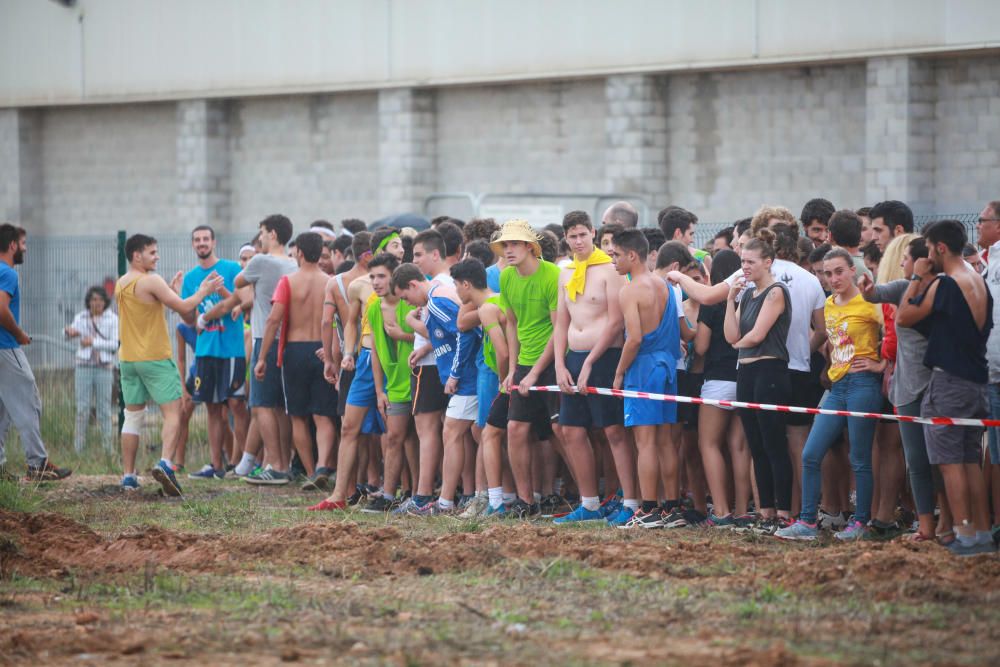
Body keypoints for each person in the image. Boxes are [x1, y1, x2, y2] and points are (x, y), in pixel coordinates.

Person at [897, 219, 996, 556]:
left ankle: (964, 531)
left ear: (939, 248)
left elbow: (904, 316)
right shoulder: (977, 280)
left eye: (926, 250)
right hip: (976, 380)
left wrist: (918, 277)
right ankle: (980, 532)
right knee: (969, 460)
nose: (924, 256)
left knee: (950, 461)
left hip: (950, 381)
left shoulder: (946, 283)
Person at [776, 249, 884, 541]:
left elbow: (894, 331)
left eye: (838, 271)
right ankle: (809, 522)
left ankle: (861, 523)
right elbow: (833, 341)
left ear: (853, 271)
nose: (833, 278)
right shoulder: (828, 304)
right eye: (827, 273)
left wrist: (881, 363)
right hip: (837, 387)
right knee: (811, 453)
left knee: (859, 457)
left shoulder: (870, 302)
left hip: (864, 384)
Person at [115, 233, 222, 494]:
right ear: (137, 255)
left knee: (132, 417)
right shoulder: (151, 280)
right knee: (173, 414)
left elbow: (155, 308)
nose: (157, 256)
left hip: (128, 360)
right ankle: (165, 463)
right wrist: (204, 291)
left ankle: (128, 476)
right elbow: (185, 306)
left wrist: (170, 291)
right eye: (152, 252)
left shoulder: (122, 282)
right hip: (155, 358)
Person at [551, 211, 635, 526]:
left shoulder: (609, 270)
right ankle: (589, 503)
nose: (578, 241)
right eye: (572, 236)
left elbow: (616, 322)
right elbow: (561, 322)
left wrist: (589, 363)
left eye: (583, 235)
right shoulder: (565, 272)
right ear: (566, 238)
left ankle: (630, 500)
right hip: (574, 356)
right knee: (571, 430)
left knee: (613, 430)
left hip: (604, 356)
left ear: (593, 233)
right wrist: (560, 363)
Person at [205, 215, 298, 484]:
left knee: (260, 406)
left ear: (273, 234)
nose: (260, 238)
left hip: (264, 338)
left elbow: (238, 282)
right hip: (287, 339)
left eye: (263, 233)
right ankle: (283, 462)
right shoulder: (293, 263)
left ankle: (276, 465)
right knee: (279, 407)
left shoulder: (260, 260)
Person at [860, 234, 938, 541]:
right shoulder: (904, 287)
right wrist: (868, 290)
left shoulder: (938, 289)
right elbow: (877, 293)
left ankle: (946, 522)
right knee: (917, 461)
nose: (901, 263)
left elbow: (904, 317)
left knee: (939, 460)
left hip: (935, 385)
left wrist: (918, 277)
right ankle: (926, 525)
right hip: (907, 389)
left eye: (906, 258)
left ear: (922, 262)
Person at [607, 229, 680, 529]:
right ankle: (671, 508)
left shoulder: (630, 290)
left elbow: (634, 338)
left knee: (645, 442)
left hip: (644, 368)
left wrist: (619, 371)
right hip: (668, 366)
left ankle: (649, 508)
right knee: (665, 442)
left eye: (616, 255)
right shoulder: (663, 285)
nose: (613, 261)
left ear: (632, 255)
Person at [395, 262, 481, 515]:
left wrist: (455, 373)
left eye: (405, 297)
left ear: (413, 284)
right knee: (472, 433)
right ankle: (479, 496)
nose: (408, 303)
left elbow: (464, 332)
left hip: (466, 377)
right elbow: (447, 335)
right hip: (465, 375)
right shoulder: (436, 298)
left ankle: (451, 501)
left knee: (456, 432)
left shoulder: (436, 302)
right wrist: (426, 347)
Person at [257, 232, 341, 489]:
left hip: (294, 351)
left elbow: (273, 319)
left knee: (298, 417)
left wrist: (262, 357)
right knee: (323, 415)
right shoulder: (330, 282)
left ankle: (308, 470)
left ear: (300, 253)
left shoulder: (288, 282)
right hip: (323, 349)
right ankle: (321, 467)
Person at [723, 229, 793, 534]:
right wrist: (729, 300)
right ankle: (765, 512)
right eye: (742, 261)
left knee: (774, 443)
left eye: (751, 261)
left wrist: (739, 344)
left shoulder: (775, 291)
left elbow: (757, 335)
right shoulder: (748, 294)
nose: (745, 267)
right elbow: (731, 335)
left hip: (770, 370)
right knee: (756, 445)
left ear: (768, 262)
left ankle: (784, 512)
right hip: (746, 373)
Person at [491, 219, 561, 518]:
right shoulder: (506, 277)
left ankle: (587, 499)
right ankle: (525, 501)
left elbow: (560, 331)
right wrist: (513, 369)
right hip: (525, 363)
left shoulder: (553, 275)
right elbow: (512, 325)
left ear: (531, 247)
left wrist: (534, 372)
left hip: (555, 360)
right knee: (515, 429)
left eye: (514, 244)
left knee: (562, 431)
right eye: (505, 244)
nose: (508, 250)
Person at [0, 224, 71, 481]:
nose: (25, 249)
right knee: (29, 400)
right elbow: (1, 308)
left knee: (3, 409)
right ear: (11, 246)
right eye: (23, 244)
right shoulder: (7, 273)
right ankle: (37, 464)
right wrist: (18, 334)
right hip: (5, 347)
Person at [182, 226, 250, 480]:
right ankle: (215, 465)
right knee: (211, 407)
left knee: (236, 404)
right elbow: (189, 316)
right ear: (193, 245)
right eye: (197, 240)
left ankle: (242, 461)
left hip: (231, 348)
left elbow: (242, 300)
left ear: (214, 242)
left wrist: (221, 291)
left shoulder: (232, 269)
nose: (202, 243)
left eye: (205, 239)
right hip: (205, 351)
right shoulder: (190, 279)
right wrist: (187, 305)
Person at [693, 250, 753, 528]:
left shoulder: (713, 301)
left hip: (717, 380)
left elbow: (702, 347)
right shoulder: (752, 296)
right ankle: (742, 510)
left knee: (709, 444)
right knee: (740, 447)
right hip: (745, 377)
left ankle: (720, 510)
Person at [452, 258, 512, 517]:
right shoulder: (498, 299)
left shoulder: (488, 307)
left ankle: (493, 499)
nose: (456, 292)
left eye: (457, 286)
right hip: (495, 371)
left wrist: (503, 378)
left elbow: (503, 351)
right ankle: (504, 495)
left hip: (493, 373)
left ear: (466, 284)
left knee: (489, 434)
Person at [361, 253, 416, 513]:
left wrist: (402, 335)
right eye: (371, 276)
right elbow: (374, 352)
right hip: (393, 385)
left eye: (381, 276)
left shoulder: (411, 302)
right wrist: (379, 390)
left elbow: (427, 340)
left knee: (416, 437)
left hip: (417, 380)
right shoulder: (373, 308)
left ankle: (417, 493)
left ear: (395, 276)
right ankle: (389, 494)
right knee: (394, 437)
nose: (375, 282)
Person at [65, 286, 119, 453]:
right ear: (88, 301)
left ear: (105, 302)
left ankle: (107, 449)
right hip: (83, 366)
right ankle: (78, 449)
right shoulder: (81, 317)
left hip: (104, 368)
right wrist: (69, 332)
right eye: (94, 300)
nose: (97, 303)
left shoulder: (112, 319)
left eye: (100, 300)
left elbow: (115, 344)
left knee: (104, 409)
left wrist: (93, 342)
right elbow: (68, 333)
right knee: (82, 408)